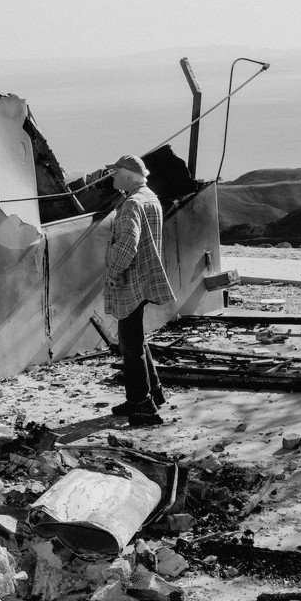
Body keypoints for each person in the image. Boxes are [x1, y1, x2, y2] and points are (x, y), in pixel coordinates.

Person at [103, 155, 176, 424]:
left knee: (129, 346)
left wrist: (113, 274)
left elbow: (126, 246)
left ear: (130, 174)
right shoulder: (150, 197)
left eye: (115, 172)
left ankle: (141, 405)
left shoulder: (132, 203)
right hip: (146, 278)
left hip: (130, 281)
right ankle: (153, 393)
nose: (112, 177)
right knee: (136, 339)